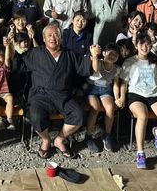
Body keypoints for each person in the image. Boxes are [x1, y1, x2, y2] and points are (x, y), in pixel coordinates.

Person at [14, 24, 99, 159]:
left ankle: (60, 139)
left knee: (78, 115)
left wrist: (94, 55)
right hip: (40, 96)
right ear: (43, 38)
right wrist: (9, 48)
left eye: (56, 35)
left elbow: (86, 69)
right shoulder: (35, 53)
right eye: (49, 35)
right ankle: (46, 140)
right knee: (35, 115)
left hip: (63, 96)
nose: (53, 38)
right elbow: (17, 65)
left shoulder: (69, 54)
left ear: (61, 38)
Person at [118, 33, 157, 169]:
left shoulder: (155, 61)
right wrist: (122, 97)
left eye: (148, 44)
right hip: (135, 94)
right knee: (142, 116)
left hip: (153, 94)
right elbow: (124, 82)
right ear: (136, 46)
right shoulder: (129, 62)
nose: (144, 47)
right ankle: (140, 153)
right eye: (141, 44)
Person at [84, 44, 121, 153]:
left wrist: (117, 98)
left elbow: (115, 85)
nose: (112, 56)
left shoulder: (116, 69)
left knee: (110, 107)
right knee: (95, 108)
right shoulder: (98, 62)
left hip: (105, 90)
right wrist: (94, 55)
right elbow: (93, 69)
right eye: (110, 53)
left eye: (115, 55)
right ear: (104, 53)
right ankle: (88, 136)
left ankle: (107, 135)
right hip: (92, 88)